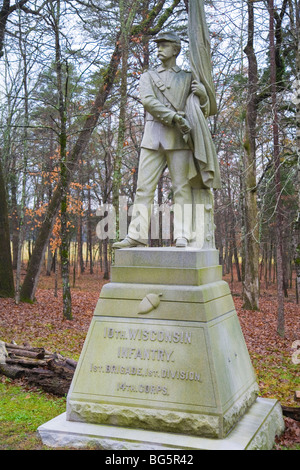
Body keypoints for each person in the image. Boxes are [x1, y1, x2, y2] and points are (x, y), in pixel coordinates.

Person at [113, 32, 211, 249]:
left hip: (179, 139)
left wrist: (203, 95)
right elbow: (148, 102)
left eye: (164, 45)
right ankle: (136, 236)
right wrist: (174, 117)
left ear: (176, 49)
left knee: (181, 188)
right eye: (158, 45)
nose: (159, 49)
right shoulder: (147, 76)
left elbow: (202, 110)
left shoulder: (187, 77)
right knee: (143, 188)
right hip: (153, 137)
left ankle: (182, 235)